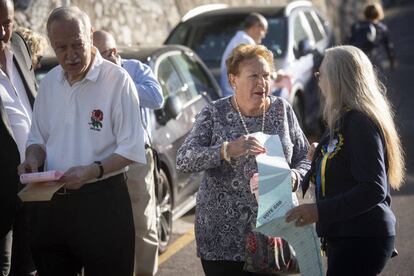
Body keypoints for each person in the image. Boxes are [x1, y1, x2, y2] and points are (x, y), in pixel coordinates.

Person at [17, 6, 146, 275]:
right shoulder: (50, 82)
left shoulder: (118, 81)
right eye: (61, 47)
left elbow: (131, 148)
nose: (70, 55)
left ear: (90, 35)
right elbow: (38, 138)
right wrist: (31, 159)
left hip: (103, 202)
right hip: (51, 205)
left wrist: (92, 170)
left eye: (77, 44)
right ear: (52, 44)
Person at [176, 44, 310, 275]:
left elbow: (304, 157)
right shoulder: (214, 113)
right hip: (222, 240)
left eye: (266, 75)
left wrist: (295, 178)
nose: (262, 82)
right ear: (233, 79)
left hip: (273, 234)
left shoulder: (282, 110)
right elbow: (184, 160)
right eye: (254, 76)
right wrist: (226, 150)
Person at [285, 45, 405, 276]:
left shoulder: (359, 122)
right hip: (347, 235)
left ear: (337, 78)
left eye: (321, 74)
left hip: (361, 237)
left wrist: (319, 211)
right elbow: (344, 167)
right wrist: (319, 158)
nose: (318, 81)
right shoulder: (345, 119)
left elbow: (373, 188)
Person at [93, 29, 164, 276]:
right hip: (103, 158)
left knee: (143, 224)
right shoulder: (92, 76)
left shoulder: (135, 69)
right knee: (108, 227)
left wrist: (120, 82)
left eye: (101, 56)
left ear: (113, 52)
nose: (95, 62)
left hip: (136, 158)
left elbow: (157, 98)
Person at [0, 0, 38, 275]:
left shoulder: (20, 47)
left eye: (7, 22)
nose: (3, 32)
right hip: (1, 197)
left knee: (30, 268)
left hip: (35, 187)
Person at [220, 13, 268, 97]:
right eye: (263, 30)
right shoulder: (246, 42)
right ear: (255, 27)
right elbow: (257, 72)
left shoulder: (240, 39)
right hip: (237, 97)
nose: (264, 35)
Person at [349, 3, 395, 70]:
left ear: (365, 13)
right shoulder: (382, 28)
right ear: (379, 13)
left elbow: (350, 43)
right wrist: (392, 61)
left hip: (360, 59)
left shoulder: (356, 26)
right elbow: (389, 46)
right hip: (377, 60)